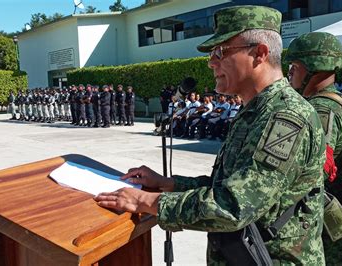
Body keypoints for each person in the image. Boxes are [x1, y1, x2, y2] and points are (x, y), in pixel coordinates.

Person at [94, 5, 326, 265]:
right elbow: (230, 185)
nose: (211, 62)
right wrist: (170, 184)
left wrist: (146, 200)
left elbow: (234, 206)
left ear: (259, 53)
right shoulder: (257, 110)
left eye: (221, 52)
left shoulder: (285, 117)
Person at [285, 31, 342, 265]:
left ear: (315, 67)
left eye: (296, 65)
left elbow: (318, 168)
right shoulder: (336, 99)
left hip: (326, 215)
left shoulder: (322, 109)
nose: (291, 71)